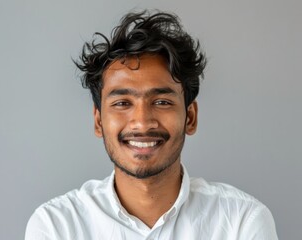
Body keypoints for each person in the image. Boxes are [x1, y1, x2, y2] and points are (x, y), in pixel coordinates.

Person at [25, 10, 278, 240]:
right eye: (122, 103)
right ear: (99, 121)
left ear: (190, 117)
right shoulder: (56, 226)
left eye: (162, 101)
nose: (142, 122)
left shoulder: (242, 222)